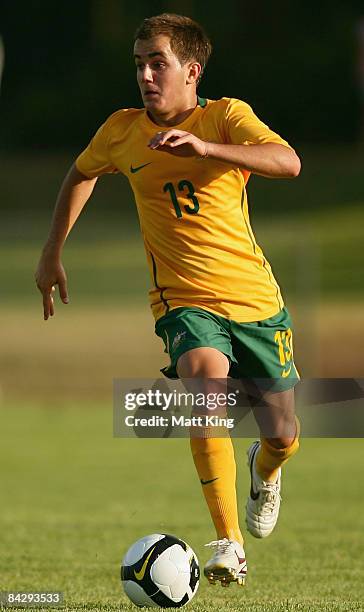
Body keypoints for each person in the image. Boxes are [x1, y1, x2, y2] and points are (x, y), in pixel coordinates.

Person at [35, 13, 301, 588]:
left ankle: (266, 468)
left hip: (255, 300)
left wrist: (207, 147)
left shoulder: (227, 116)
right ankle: (229, 542)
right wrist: (52, 250)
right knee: (204, 391)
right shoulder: (121, 130)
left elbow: (289, 162)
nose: (146, 75)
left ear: (191, 70)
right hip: (181, 302)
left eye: (158, 62)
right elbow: (81, 173)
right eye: (139, 64)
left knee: (283, 432)